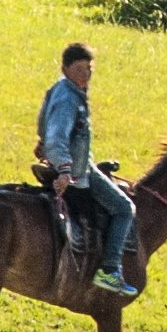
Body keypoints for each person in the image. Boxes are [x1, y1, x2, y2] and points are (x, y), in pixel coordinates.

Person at [37, 39, 135, 297]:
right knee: (125, 208)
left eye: (89, 68)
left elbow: (44, 125)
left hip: (83, 166)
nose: (86, 74)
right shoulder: (69, 97)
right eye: (80, 68)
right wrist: (66, 169)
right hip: (77, 175)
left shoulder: (62, 90)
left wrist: (42, 142)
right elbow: (58, 136)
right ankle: (110, 270)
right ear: (65, 69)